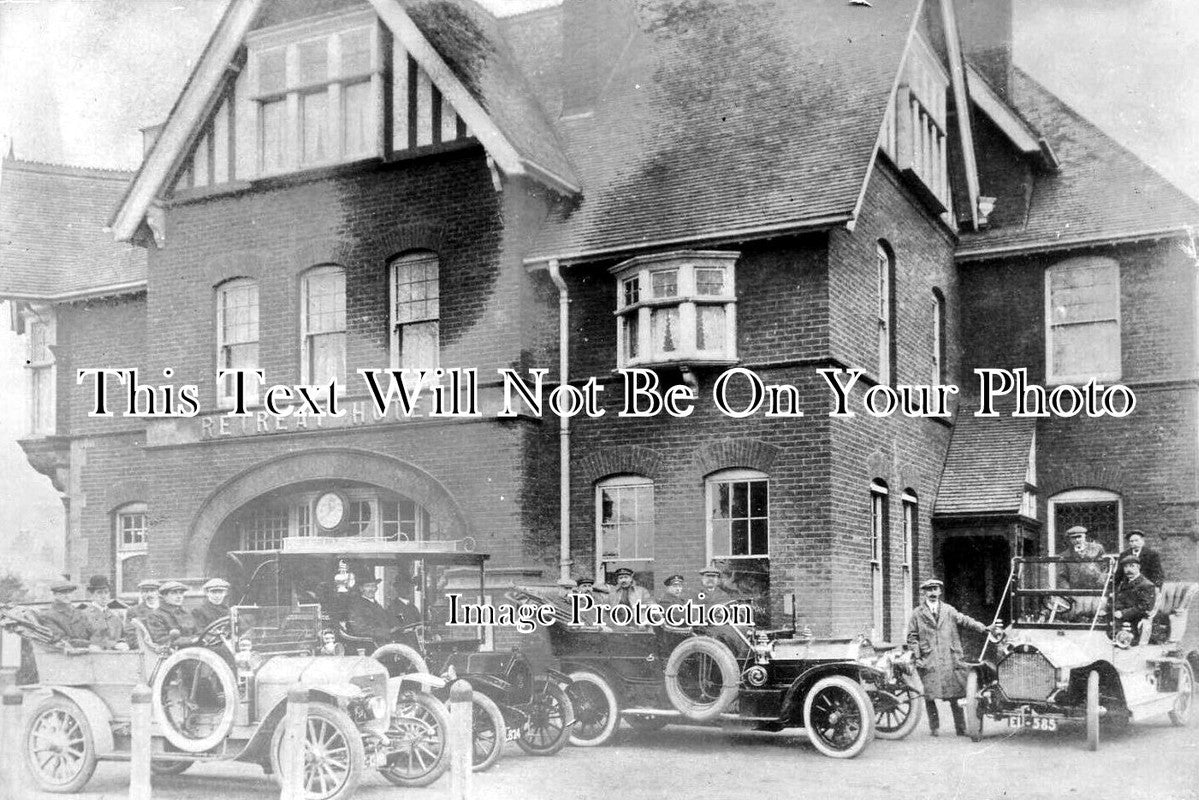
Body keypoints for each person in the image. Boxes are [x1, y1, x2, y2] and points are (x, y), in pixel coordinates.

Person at [906, 578, 991, 737]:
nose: (932, 593)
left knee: (956, 694)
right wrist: (917, 656)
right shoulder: (917, 614)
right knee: (929, 695)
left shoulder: (948, 610)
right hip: (929, 658)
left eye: (935, 589)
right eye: (929, 589)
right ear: (924, 593)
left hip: (949, 657)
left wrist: (984, 628)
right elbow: (912, 637)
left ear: (940, 592)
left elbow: (965, 620)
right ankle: (934, 727)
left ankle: (961, 727)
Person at [39, 580, 93, 648]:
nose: (67, 596)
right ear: (55, 595)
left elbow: (92, 632)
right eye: (62, 593)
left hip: (90, 651)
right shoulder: (48, 616)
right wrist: (90, 645)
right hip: (67, 654)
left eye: (69, 592)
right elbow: (62, 640)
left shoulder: (80, 613)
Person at [79, 575, 128, 650]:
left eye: (106, 592)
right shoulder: (83, 615)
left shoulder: (116, 616)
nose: (104, 596)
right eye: (99, 593)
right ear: (92, 595)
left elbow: (123, 636)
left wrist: (123, 643)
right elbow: (80, 640)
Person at [1113, 555, 1157, 635]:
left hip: (1135, 621)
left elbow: (1144, 607)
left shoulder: (1146, 585)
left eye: (1132, 566)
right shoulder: (1124, 583)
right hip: (1120, 619)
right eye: (1125, 567)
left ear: (1138, 567)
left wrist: (1123, 613)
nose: (1128, 570)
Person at [345, 577, 396, 645]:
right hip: (368, 644)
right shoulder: (357, 607)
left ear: (376, 588)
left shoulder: (377, 605)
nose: (371, 589)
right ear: (361, 589)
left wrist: (399, 623)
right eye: (368, 586)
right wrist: (387, 631)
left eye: (373, 586)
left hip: (384, 642)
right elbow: (359, 629)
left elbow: (388, 620)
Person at [125, 579, 163, 647]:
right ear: (141, 594)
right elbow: (130, 634)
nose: (149, 594)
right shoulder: (134, 611)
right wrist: (146, 646)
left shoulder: (166, 609)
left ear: (158, 592)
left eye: (152, 591)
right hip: (145, 649)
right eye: (145, 591)